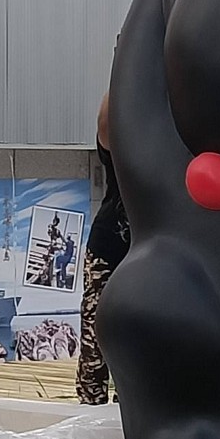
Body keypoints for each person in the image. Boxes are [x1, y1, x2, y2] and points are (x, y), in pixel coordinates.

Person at [76, 92, 130, 404]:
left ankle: (134, 403)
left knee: (142, 329)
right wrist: (123, 71)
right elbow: (106, 123)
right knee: (95, 331)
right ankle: (91, 402)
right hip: (109, 246)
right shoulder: (124, 147)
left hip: (153, 253)